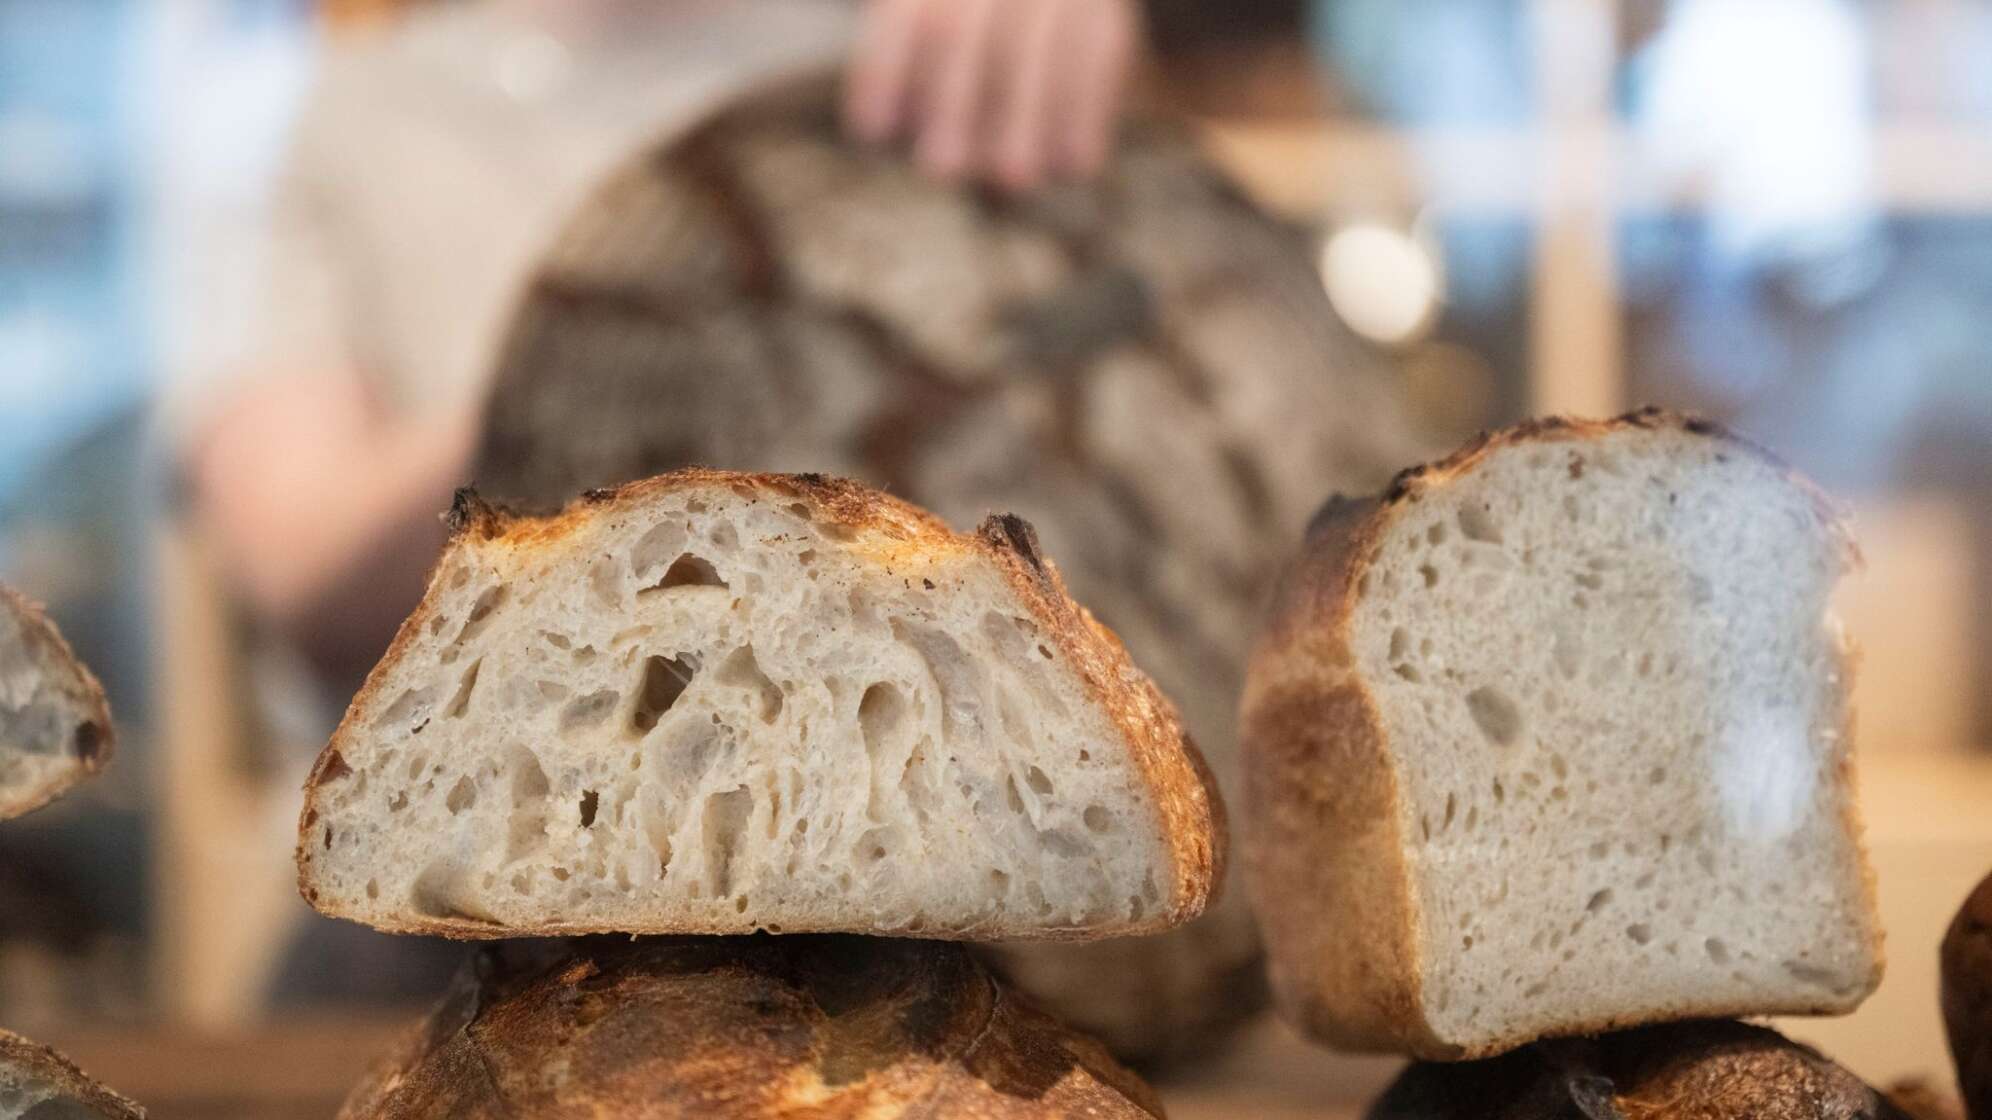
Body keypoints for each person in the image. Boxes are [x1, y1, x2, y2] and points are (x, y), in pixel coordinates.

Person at [174, 0, 1142, 699]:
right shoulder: (360, 110)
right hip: (465, 846)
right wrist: (601, 373)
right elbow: (303, 569)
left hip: (888, 792)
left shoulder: (912, 74)